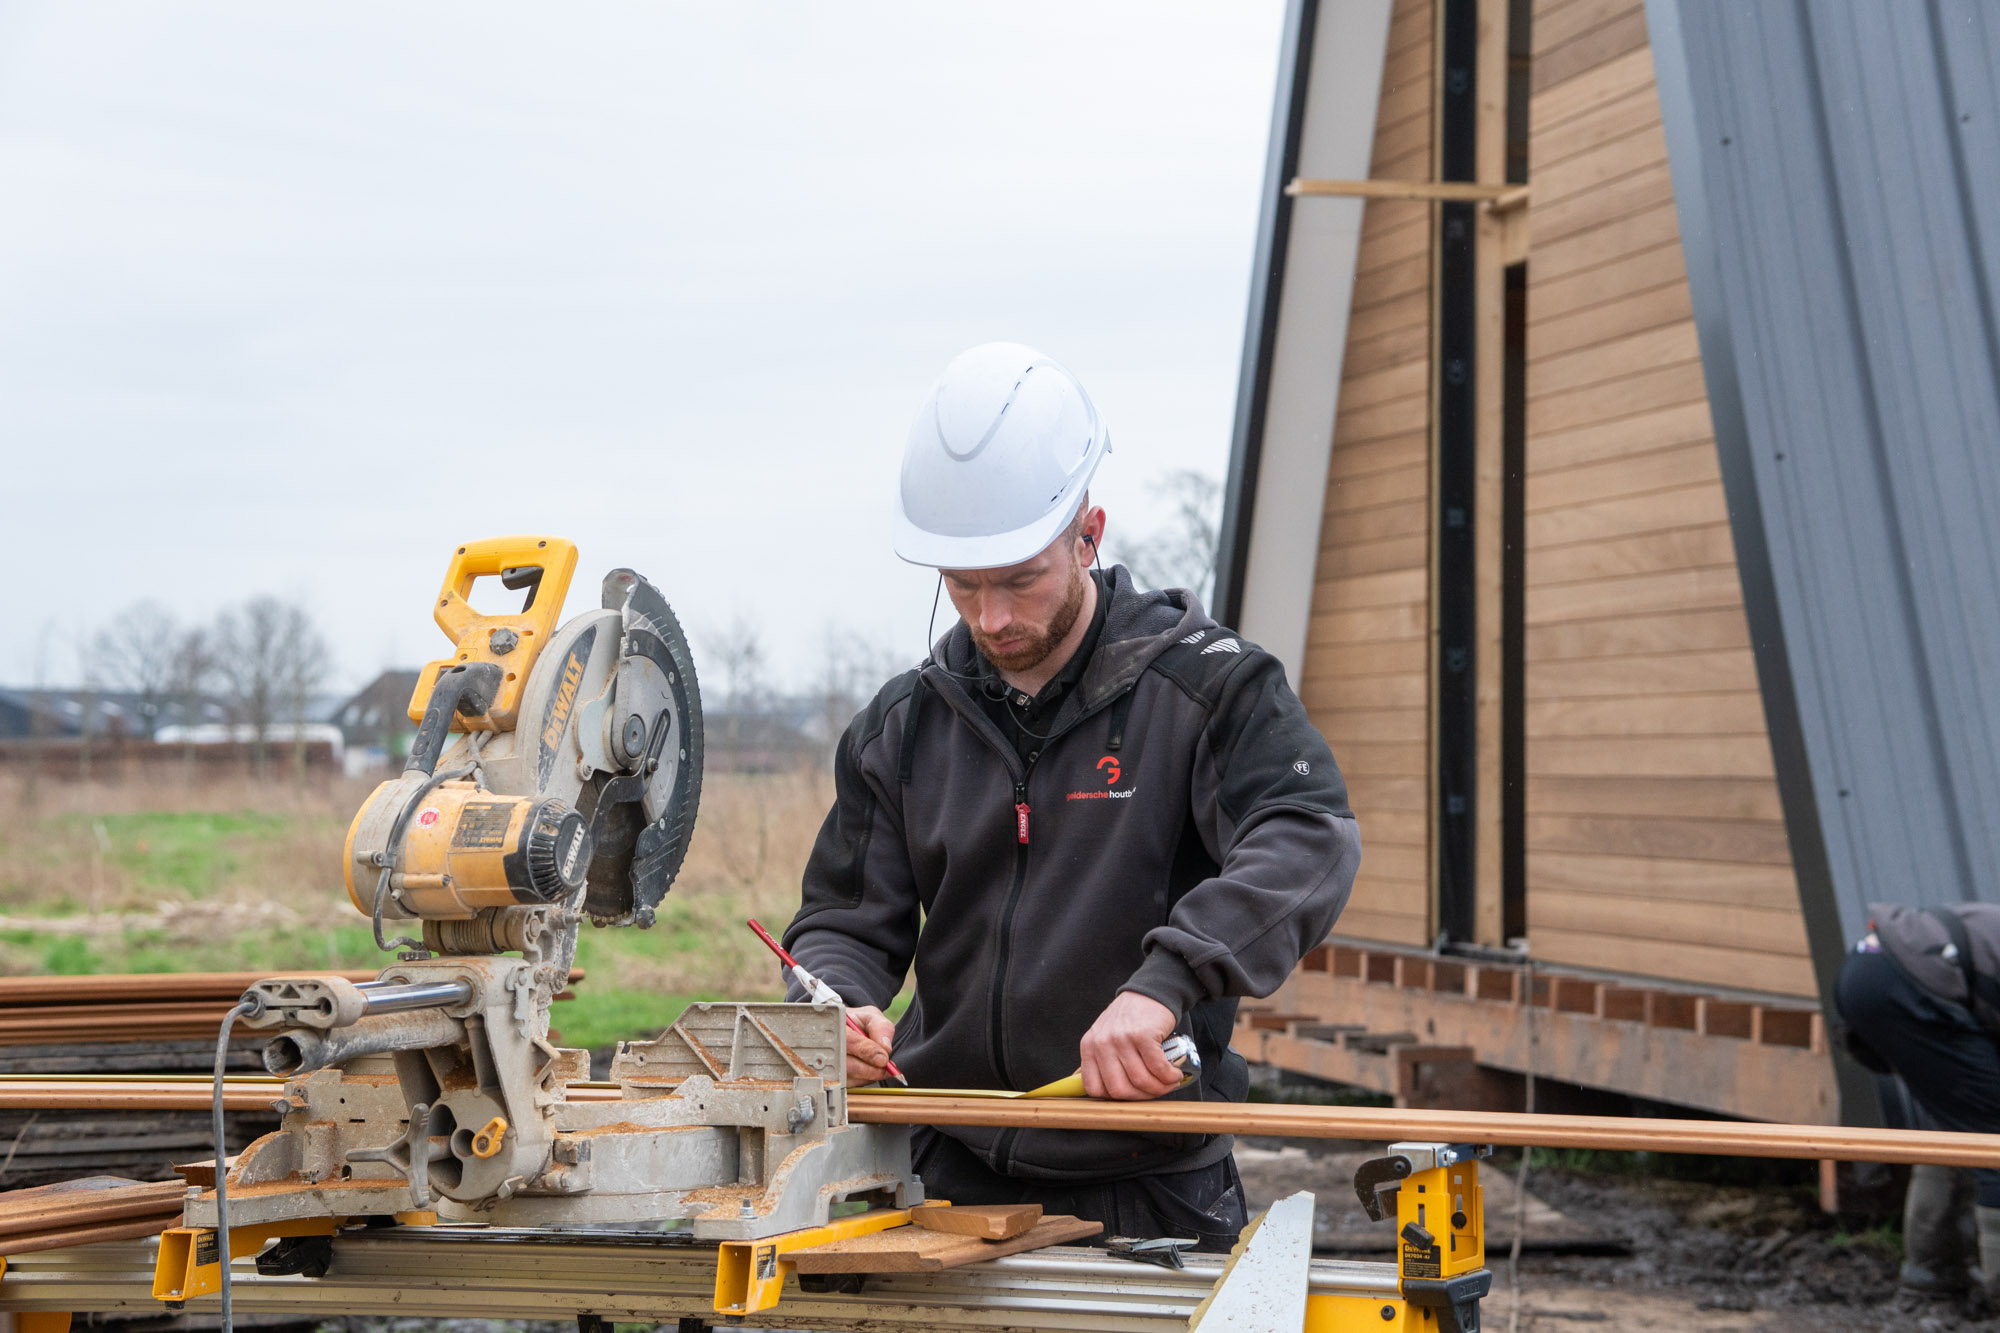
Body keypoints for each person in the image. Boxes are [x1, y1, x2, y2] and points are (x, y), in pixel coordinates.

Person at [781, 342, 1361, 1251]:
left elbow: (1307, 836)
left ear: (1088, 534)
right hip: (940, 1169)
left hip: (1149, 1174)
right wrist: (832, 1001)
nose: (992, 618)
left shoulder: (1210, 690)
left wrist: (1167, 985)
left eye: (1019, 578)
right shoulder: (904, 724)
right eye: (963, 586)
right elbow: (846, 920)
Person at [1836, 901, 2000, 1300]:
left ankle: (1931, 1273)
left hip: (1871, 971)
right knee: (1994, 1139)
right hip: (1907, 983)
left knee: (1957, 1125)